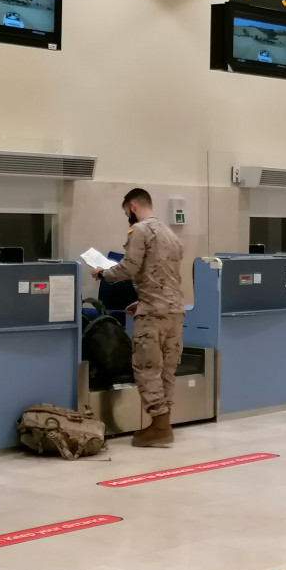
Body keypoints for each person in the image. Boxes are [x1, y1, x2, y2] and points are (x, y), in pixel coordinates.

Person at [93, 189, 185, 448]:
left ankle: (159, 425)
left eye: (126, 213)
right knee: (167, 369)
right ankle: (164, 423)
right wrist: (142, 300)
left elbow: (130, 267)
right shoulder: (171, 234)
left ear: (132, 207)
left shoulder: (140, 231)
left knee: (146, 368)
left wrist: (103, 274)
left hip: (153, 314)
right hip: (174, 311)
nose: (128, 218)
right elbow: (166, 277)